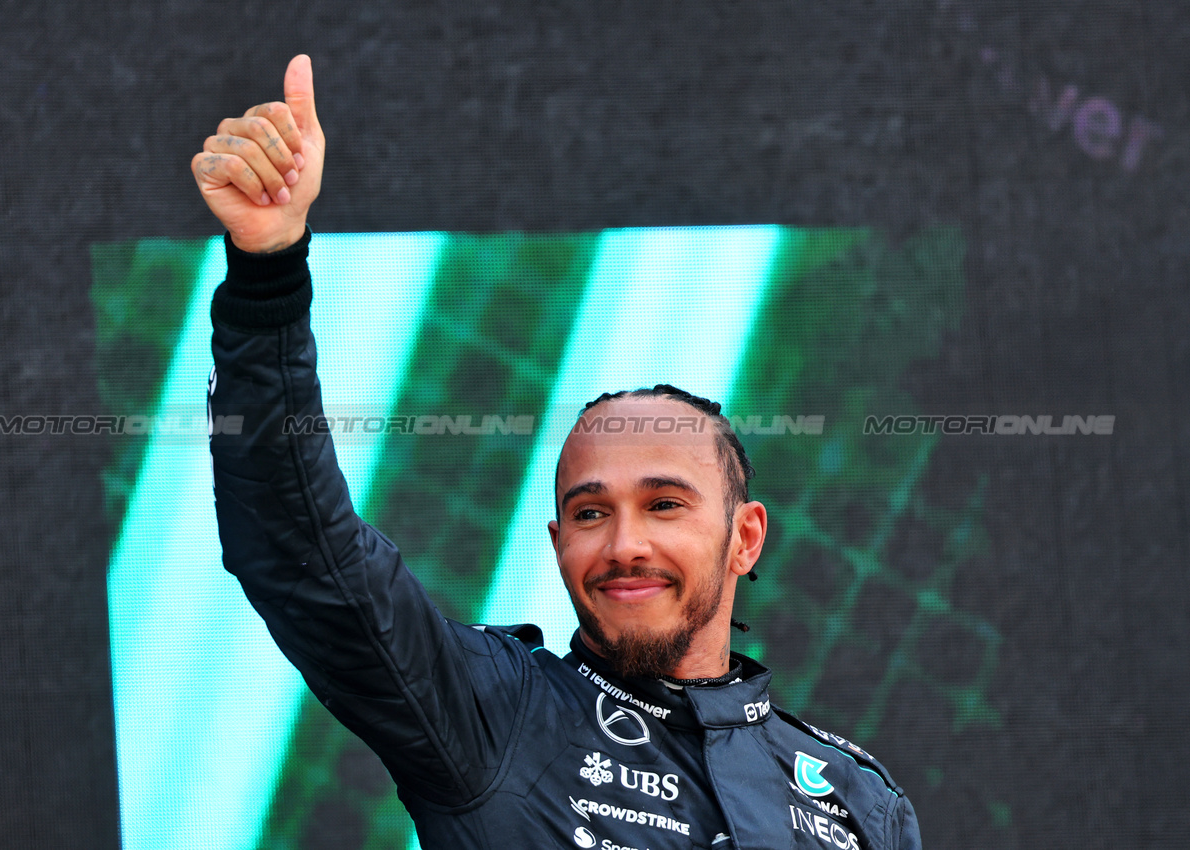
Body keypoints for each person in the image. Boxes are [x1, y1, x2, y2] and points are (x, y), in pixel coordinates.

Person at [194, 54, 922, 850]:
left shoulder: (853, 800)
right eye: (588, 513)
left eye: (665, 504)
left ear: (744, 536)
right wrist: (266, 273)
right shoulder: (493, 715)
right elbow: (303, 554)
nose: (623, 544)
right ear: (556, 543)